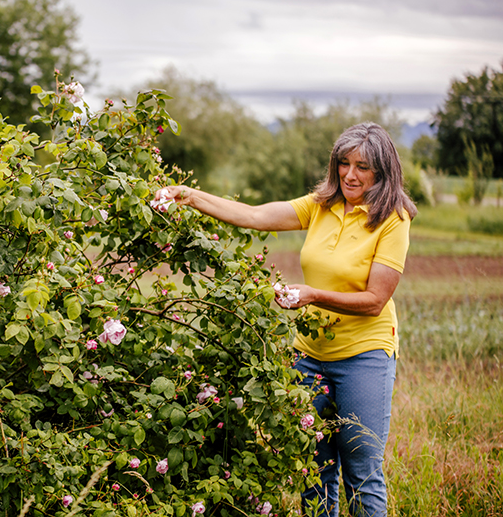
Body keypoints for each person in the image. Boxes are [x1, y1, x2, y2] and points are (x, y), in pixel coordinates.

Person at [154, 122, 416, 517]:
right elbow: (255, 215)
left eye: (362, 166)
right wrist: (188, 195)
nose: (350, 174)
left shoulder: (392, 218)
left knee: (362, 471)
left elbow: (375, 300)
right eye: (343, 163)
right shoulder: (320, 205)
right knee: (315, 467)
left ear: (382, 171)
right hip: (308, 354)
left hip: (364, 354)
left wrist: (311, 295)